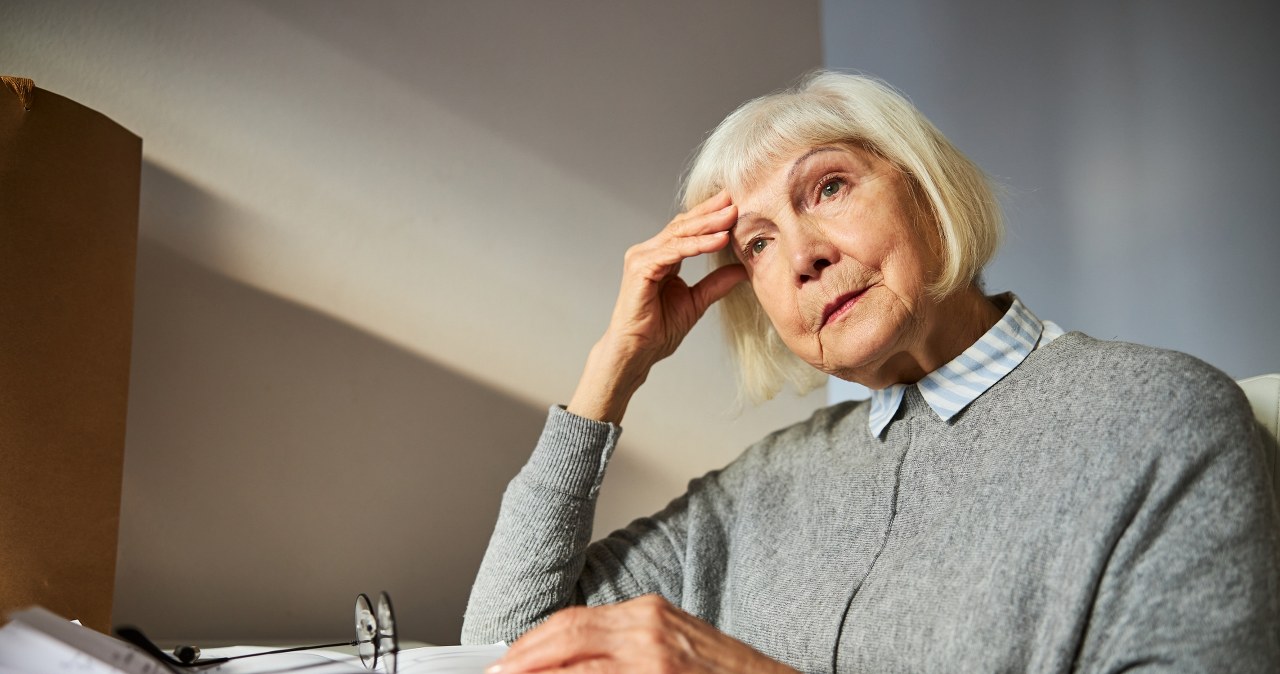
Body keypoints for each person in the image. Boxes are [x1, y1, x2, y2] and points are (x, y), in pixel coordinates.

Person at [461, 71, 1280, 672]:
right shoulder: (754, 492)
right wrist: (615, 369)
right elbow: (505, 647)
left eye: (828, 187)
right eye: (757, 242)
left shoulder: (1161, 417)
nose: (804, 257)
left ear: (927, 191)